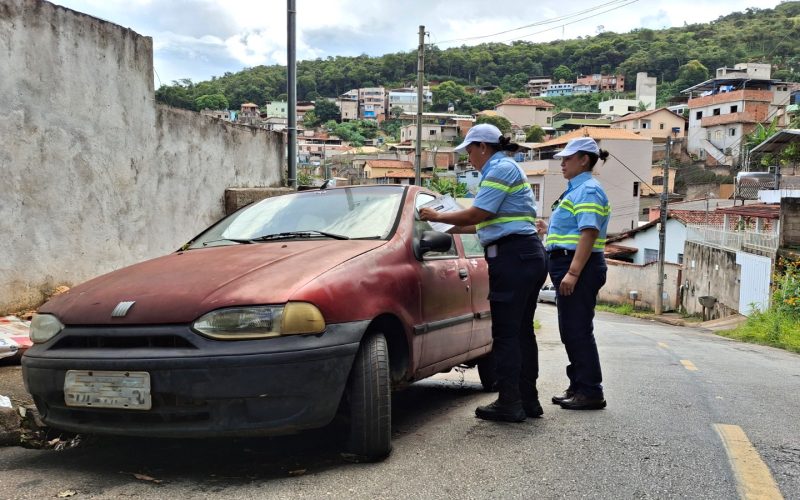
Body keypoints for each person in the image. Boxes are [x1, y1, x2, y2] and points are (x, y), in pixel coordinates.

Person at [419, 123, 547, 423]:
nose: (468, 158)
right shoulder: (505, 169)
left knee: (506, 334)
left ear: (483, 147)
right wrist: (444, 224)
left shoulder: (499, 170)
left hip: (513, 257)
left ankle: (509, 402)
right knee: (522, 332)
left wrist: (438, 215)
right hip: (524, 254)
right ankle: (528, 401)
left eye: (470, 151)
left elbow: (478, 215)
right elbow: (479, 224)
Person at [536, 137, 610, 410]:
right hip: (568, 263)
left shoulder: (588, 190)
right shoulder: (575, 190)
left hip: (579, 266)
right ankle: (579, 385)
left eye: (568, 158)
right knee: (570, 330)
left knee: (577, 330)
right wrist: (548, 230)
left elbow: (588, 233)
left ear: (584, 160)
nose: (563, 163)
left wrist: (574, 272)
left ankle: (590, 390)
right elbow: (573, 230)